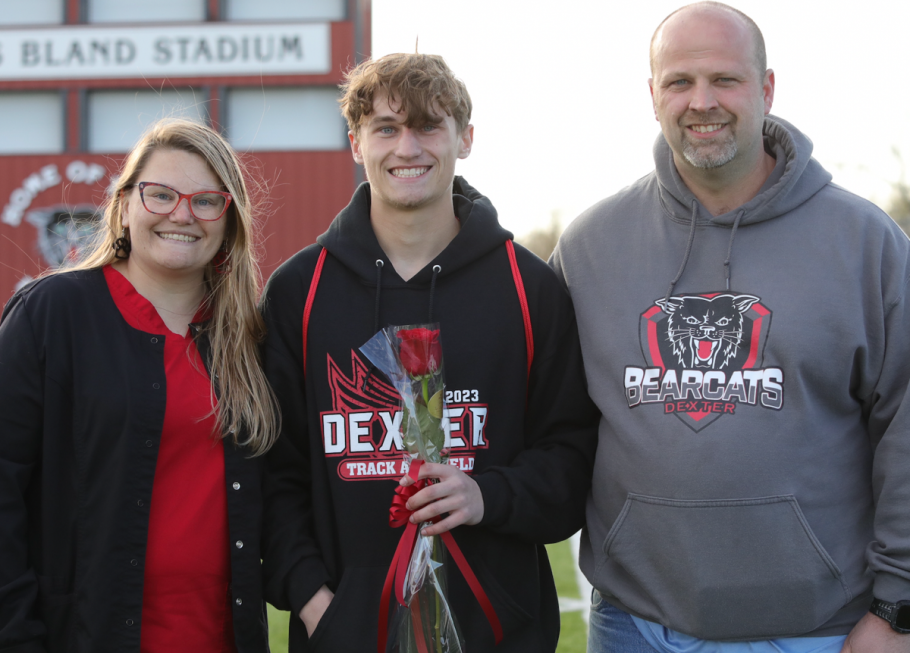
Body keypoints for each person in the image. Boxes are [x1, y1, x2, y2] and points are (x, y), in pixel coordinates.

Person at [550, 3, 910, 653]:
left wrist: (898, 607)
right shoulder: (590, 247)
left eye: (725, 79)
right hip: (635, 624)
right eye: (679, 82)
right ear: (652, 95)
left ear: (767, 89)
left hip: (817, 631)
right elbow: (546, 413)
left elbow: (906, 428)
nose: (701, 101)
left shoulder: (865, 244)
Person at [259, 53, 599, 652]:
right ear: (356, 143)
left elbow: (572, 459)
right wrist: (316, 604)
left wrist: (486, 494)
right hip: (344, 632)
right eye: (386, 129)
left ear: (465, 139)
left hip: (500, 631)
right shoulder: (300, 293)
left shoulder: (529, 289)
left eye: (428, 126)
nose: (407, 148)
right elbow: (270, 474)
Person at [0, 119, 279, 652]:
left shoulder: (248, 340)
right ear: (124, 205)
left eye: (205, 201)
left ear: (229, 220)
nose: (181, 214)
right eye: (160, 194)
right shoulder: (53, 314)